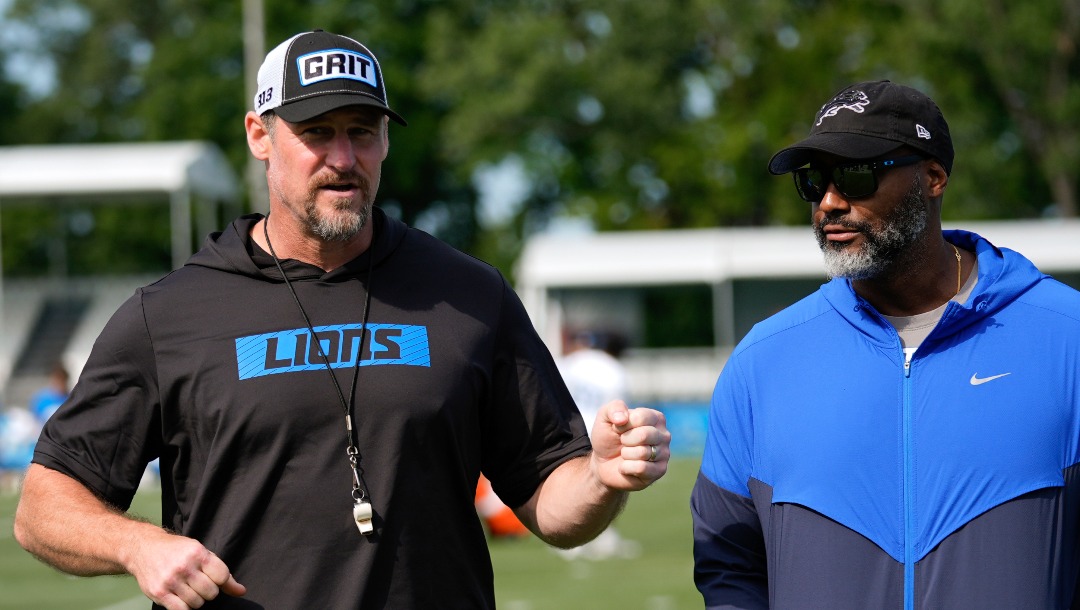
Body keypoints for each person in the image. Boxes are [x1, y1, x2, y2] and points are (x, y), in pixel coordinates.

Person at [14, 30, 671, 610]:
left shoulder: (469, 294)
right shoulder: (172, 315)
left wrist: (601, 479)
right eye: (317, 133)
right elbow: (43, 507)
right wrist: (139, 545)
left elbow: (551, 504)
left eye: (362, 131)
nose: (343, 158)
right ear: (259, 136)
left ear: (385, 139)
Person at [691, 80, 1080, 609]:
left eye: (856, 175)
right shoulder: (764, 360)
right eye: (813, 182)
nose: (829, 202)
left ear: (934, 177)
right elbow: (729, 564)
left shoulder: (1066, 336)